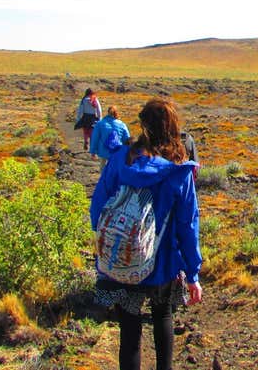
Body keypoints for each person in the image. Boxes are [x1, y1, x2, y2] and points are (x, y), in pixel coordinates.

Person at [90, 99, 203, 370]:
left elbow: (98, 208)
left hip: (123, 259)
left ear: (143, 125)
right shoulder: (179, 170)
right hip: (163, 264)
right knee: (163, 317)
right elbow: (188, 224)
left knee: (129, 331)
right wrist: (193, 273)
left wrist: (112, 242)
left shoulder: (120, 159)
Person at [90, 105, 131, 170]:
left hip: (103, 150)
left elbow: (95, 138)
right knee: (114, 168)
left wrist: (93, 151)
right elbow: (127, 139)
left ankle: (104, 178)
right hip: (116, 150)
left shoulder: (100, 124)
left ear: (108, 112)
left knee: (102, 167)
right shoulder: (122, 124)